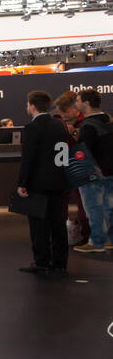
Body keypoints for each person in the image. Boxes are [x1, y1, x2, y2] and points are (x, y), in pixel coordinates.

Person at [16, 90, 70, 277]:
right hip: (58, 181)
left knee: (39, 225)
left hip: (38, 183)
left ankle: (41, 261)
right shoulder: (59, 125)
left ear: (32, 105)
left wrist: (22, 182)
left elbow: (28, 158)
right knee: (58, 223)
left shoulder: (32, 128)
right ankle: (60, 262)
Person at [72, 88, 113, 254]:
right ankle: (110, 240)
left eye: (78, 100)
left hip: (94, 172)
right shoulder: (109, 119)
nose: (76, 103)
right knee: (110, 207)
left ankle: (97, 241)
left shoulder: (88, 125)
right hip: (110, 170)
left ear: (86, 103)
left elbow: (83, 151)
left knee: (93, 207)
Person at [53, 91, 90, 245]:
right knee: (61, 204)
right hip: (62, 165)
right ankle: (60, 235)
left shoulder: (86, 122)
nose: (63, 115)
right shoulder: (58, 121)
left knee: (85, 204)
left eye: (65, 112)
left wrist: (73, 132)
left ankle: (88, 236)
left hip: (81, 165)